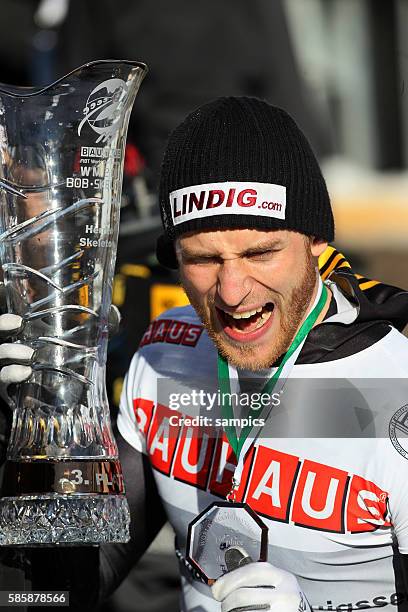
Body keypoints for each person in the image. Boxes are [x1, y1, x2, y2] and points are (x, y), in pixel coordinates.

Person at [1, 97, 408, 611]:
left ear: (316, 241)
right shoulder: (163, 353)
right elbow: (60, 594)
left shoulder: (396, 385)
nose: (233, 291)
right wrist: (24, 433)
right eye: (202, 259)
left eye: (261, 253)